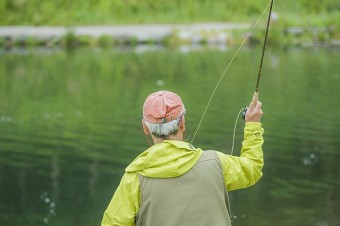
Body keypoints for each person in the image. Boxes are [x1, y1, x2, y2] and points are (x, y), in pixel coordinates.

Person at [101, 90, 264, 226]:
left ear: (145, 128)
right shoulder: (217, 163)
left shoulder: (133, 179)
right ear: (183, 123)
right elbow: (253, 168)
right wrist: (252, 125)